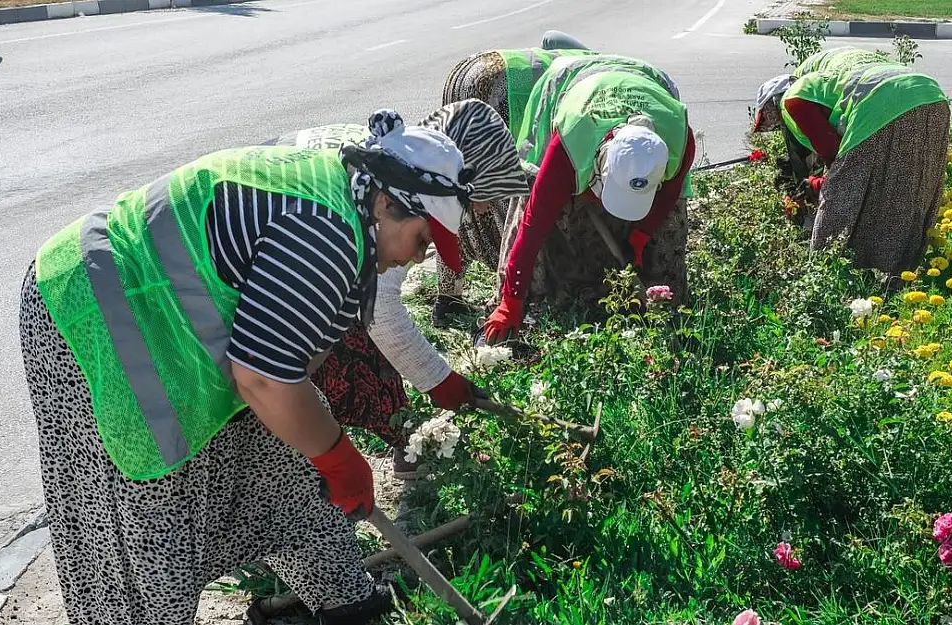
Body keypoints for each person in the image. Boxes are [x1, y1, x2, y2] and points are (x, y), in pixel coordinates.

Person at [19, 111, 474, 625]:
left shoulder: (353, 213)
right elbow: (262, 377)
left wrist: (319, 444)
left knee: (289, 463)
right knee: (150, 522)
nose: (416, 260)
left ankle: (343, 599)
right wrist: (338, 456)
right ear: (388, 203)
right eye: (421, 242)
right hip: (94, 315)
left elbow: (289, 364)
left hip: (165, 326)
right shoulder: (327, 234)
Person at [271, 100, 530, 477]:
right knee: (339, 340)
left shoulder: (406, 172)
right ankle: (318, 446)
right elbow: (382, 313)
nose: (490, 208)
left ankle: (379, 439)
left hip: (282, 236)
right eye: (488, 191)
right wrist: (440, 381)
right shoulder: (397, 203)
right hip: (264, 249)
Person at [482, 52, 695, 344]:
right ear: (599, 165)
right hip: (571, 84)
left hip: (646, 80)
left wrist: (643, 234)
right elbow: (533, 225)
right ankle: (537, 304)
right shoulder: (570, 141)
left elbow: (670, 195)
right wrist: (511, 300)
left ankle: (664, 312)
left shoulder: (678, 136)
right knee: (538, 209)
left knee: (670, 230)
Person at [436, 33, 600, 324]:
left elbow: (550, 38)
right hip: (504, 88)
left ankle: (448, 296)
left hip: (471, 70)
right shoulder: (598, 78)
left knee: (459, 190)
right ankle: (515, 293)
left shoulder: (584, 63)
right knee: (513, 198)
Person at [753, 46, 950, 275]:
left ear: (773, 104)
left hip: (879, 101)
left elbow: (831, 152)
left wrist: (824, 182)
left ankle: (826, 273)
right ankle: (896, 276)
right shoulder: (834, 72)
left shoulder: (793, 96)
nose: (774, 125)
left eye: (771, 120)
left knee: (839, 199)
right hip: (931, 96)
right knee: (905, 193)